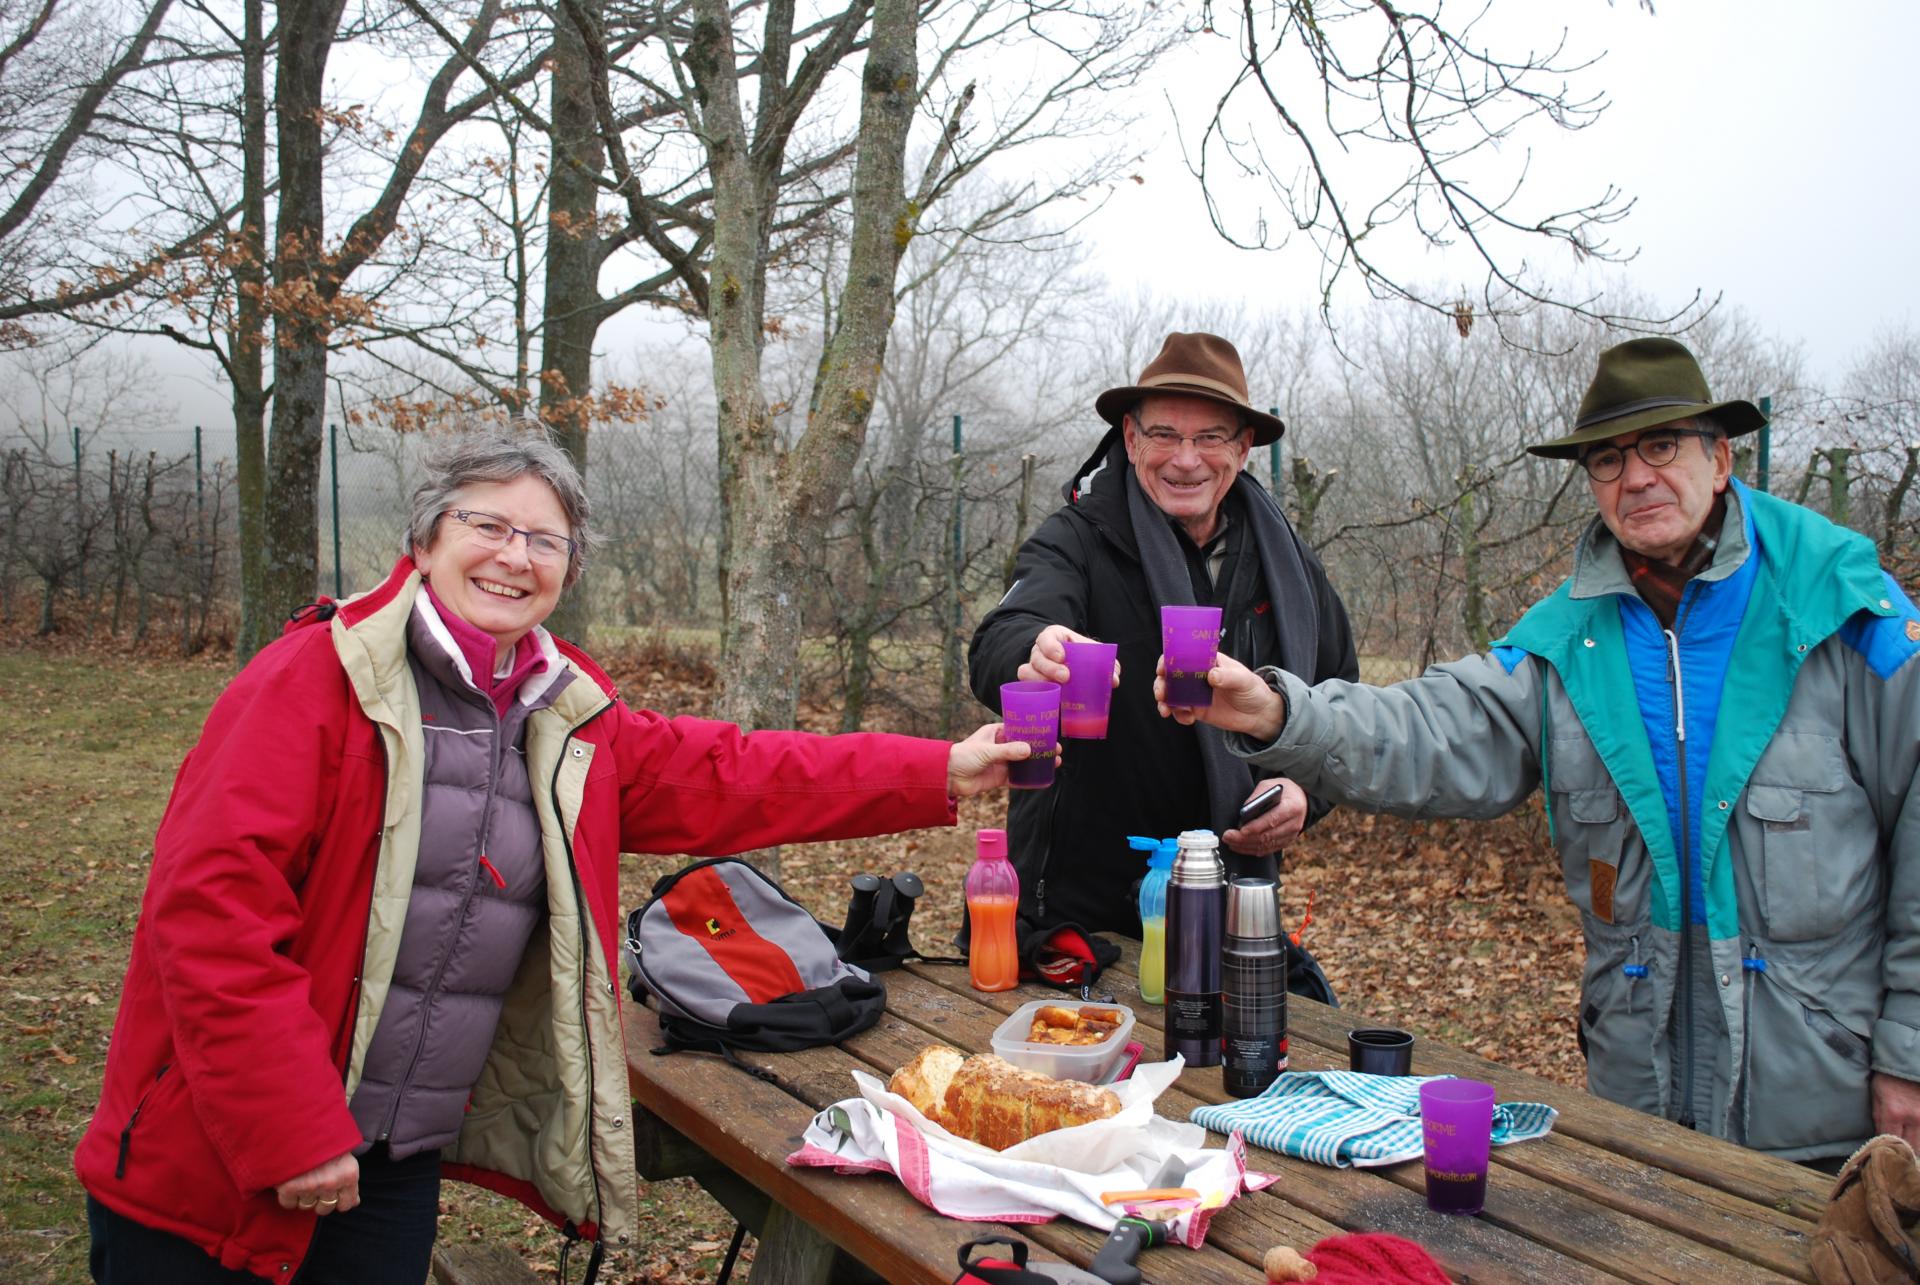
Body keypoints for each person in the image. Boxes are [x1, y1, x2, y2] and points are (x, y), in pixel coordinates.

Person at [74, 429, 1033, 1284]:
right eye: (486, 525)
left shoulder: (562, 714)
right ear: (424, 539)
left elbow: (735, 773)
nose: (513, 556)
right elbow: (211, 922)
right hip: (216, 1164)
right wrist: (290, 1128)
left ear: (569, 570)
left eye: (545, 540)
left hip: (390, 1161)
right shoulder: (313, 684)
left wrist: (942, 765)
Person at [1165, 336, 1920, 1165]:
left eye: (1662, 445)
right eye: (1607, 459)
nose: (1635, 477)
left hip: (1830, 1128)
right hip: (1640, 1122)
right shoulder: (1566, 643)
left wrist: (1911, 1054)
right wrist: (1277, 710)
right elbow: (1428, 728)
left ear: (1722, 455)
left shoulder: (1845, 615)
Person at [969, 331, 1358, 939]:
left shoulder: (1288, 565)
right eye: (1164, 436)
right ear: (1130, 438)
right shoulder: (1078, 537)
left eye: (1209, 438)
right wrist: (1033, 651)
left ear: (1244, 446)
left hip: (1231, 907)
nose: (1185, 459)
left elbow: (1341, 706)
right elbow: (1001, 635)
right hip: (1078, 914)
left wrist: (1306, 791)